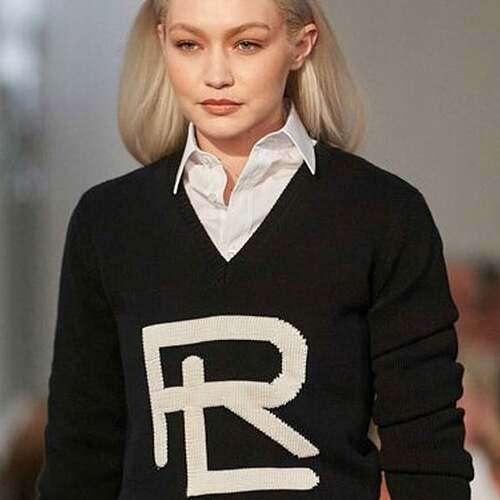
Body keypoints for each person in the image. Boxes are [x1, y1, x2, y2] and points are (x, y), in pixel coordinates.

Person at [36, 1, 474, 499]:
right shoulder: (109, 221)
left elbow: (427, 448)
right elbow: (81, 452)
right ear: (161, 44)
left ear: (300, 45)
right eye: (189, 44)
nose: (216, 75)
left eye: (246, 44)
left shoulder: (383, 213)